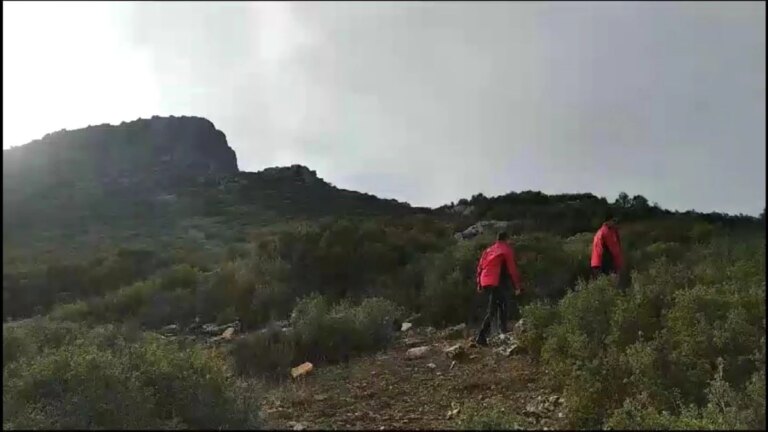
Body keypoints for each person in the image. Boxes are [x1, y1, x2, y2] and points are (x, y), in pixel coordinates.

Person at [474, 231, 523, 347]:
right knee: (496, 308)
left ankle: (502, 330)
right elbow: (512, 269)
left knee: (500, 304)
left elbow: (480, 267)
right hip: (495, 281)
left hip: (485, 280)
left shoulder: (489, 250)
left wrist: (479, 284)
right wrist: (517, 286)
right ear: (506, 239)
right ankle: (482, 336)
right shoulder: (506, 249)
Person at [591, 210, 624, 280]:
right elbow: (613, 249)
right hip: (605, 263)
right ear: (608, 221)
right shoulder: (607, 232)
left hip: (596, 263)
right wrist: (618, 265)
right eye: (613, 221)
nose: (615, 223)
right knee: (612, 284)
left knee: (600, 285)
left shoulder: (600, 231)